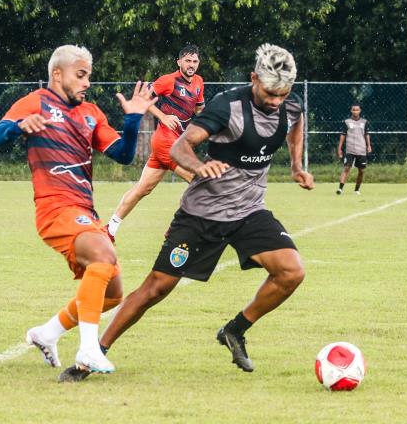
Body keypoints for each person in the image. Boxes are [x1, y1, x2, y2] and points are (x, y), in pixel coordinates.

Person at [57, 44, 312, 380]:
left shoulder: (289, 105)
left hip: (249, 210)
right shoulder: (227, 106)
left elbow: (295, 122)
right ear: (253, 79)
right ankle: (93, 355)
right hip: (202, 214)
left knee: (291, 272)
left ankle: (234, 330)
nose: (277, 100)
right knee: (155, 289)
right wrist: (199, 167)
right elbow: (180, 147)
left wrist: (296, 166)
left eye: (283, 93)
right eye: (270, 92)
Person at [0, 44, 157, 376]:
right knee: (103, 257)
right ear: (57, 74)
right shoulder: (36, 101)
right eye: (80, 75)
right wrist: (19, 126)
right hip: (54, 209)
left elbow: (123, 154)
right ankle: (88, 348)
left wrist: (134, 118)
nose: (86, 83)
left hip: (83, 210)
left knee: (112, 293)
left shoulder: (91, 113)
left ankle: (47, 333)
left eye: (88, 76)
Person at [105, 45, 205, 241]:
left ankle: (109, 229)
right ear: (179, 62)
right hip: (166, 142)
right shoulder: (169, 80)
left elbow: (200, 110)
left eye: (194, 61)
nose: (191, 65)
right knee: (201, 183)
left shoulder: (199, 82)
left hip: (176, 143)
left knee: (143, 189)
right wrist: (163, 115)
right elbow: (144, 99)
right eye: (187, 61)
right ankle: (177, 228)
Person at [336, 103, 372, 195]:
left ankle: (356, 190)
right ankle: (340, 189)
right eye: (353, 109)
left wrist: (368, 145)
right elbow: (343, 135)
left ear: (360, 111)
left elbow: (366, 134)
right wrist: (339, 148)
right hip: (350, 149)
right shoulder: (347, 122)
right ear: (351, 111)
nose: (355, 111)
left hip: (361, 149)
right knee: (346, 168)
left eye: (357, 110)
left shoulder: (364, 122)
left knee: (361, 170)